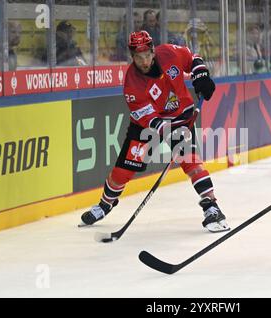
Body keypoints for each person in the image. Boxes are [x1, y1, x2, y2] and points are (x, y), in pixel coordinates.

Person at [80, 31, 230, 233]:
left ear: (153, 50)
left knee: (191, 162)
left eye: (147, 55)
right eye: (138, 57)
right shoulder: (132, 83)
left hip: (180, 117)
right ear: (132, 57)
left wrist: (201, 75)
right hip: (145, 126)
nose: (144, 61)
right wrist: (168, 132)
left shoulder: (169, 52)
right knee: (122, 172)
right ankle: (105, 204)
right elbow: (149, 119)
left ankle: (212, 207)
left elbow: (193, 59)